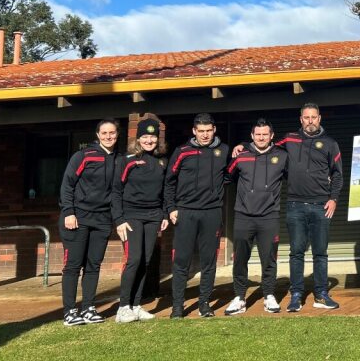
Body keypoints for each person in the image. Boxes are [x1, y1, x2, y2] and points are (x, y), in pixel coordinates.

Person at [276, 103, 344, 312]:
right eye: (306, 117)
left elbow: (337, 174)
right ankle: (296, 295)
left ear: (319, 118)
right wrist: (243, 146)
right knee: (296, 252)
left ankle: (321, 294)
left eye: (314, 117)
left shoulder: (330, 143)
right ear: (301, 119)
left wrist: (333, 199)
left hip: (320, 206)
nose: (310, 121)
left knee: (320, 253)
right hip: (295, 205)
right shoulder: (289, 139)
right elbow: (266, 146)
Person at [164, 113, 229, 318]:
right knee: (181, 261)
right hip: (186, 212)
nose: (205, 135)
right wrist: (171, 208)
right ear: (194, 131)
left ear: (214, 130)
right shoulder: (182, 152)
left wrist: (241, 146)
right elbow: (169, 181)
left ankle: (204, 304)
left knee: (209, 261)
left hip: (212, 213)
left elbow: (231, 173)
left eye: (208, 130)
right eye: (201, 131)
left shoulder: (224, 151)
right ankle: (177, 307)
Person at [58, 118, 119, 326]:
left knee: (93, 265)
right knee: (73, 266)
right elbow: (67, 184)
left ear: (117, 135)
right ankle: (69, 312)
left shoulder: (118, 159)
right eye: (104, 133)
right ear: (97, 135)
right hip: (78, 218)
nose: (108, 136)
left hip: (102, 220)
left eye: (112, 133)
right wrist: (69, 212)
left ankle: (88, 309)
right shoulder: (83, 155)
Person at [225, 119, 288, 316]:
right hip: (243, 216)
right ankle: (239, 297)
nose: (261, 138)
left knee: (269, 258)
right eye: (258, 134)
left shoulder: (282, 156)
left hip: (269, 216)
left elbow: (296, 178)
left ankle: (269, 295)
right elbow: (226, 177)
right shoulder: (241, 156)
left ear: (272, 136)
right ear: (252, 136)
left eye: (265, 134)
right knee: (240, 259)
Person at [112, 117, 169, 324]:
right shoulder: (126, 160)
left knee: (146, 260)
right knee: (134, 259)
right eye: (145, 137)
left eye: (152, 137)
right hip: (131, 217)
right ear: (138, 139)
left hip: (153, 217)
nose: (149, 141)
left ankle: (136, 306)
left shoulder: (162, 162)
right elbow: (116, 191)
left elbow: (165, 191)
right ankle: (123, 308)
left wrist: (164, 214)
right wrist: (119, 219)